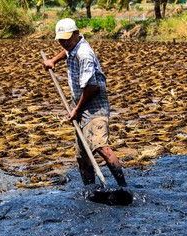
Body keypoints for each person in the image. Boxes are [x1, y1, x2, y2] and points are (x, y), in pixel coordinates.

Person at [43, 18, 128, 188]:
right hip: (81, 102)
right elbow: (66, 52)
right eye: (61, 39)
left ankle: (123, 188)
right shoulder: (72, 46)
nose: (63, 43)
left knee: (100, 146)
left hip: (94, 103)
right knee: (82, 154)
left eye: (66, 39)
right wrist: (53, 60)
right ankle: (90, 190)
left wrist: (76, 109)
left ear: (76, 34)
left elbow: (91, 88)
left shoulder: (84, 54)